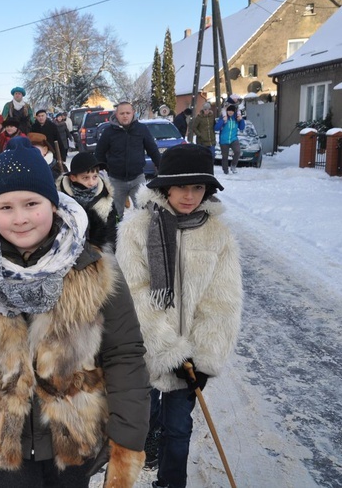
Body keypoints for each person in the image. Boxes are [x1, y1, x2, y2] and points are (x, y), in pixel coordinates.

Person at [0, 142, 150, 487]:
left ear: (52, 202)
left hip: (72, 438)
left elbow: (124, 354)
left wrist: (127, 439)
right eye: (6, 207)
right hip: (2, 437)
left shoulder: (93, 265)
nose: (19, 218)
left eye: (31, 204)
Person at [115, 144, 242, 488]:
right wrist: (166, 348)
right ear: (165, 187)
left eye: (198, 187)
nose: (189, 195)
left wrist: (203, 358)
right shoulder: (136, 229)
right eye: (182, 186)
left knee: (180, 428)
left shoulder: (219, 235)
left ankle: (170, 484)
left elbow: (223, 302)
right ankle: (150, 437)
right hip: (144, 349)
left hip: (190, 359)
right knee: (144, 417)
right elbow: (136, 294)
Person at [94, 101, 161, 219]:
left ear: (133, 113)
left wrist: (162, 166)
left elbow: (153, 150)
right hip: (116, 181)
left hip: (137, 178)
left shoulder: (141, 129)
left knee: (143, 212)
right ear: (116, 114)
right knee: (114, 214)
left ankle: (141, 236)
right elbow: (99, 153)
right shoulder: (109, 132)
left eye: (128, 113)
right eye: (122, 113)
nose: (125, 116)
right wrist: (105, 169)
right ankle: (114, 236)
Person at [56, 151, 117, 251]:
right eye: (85, 178)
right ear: (73, 177)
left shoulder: (106, 198)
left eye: (95, 177)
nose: (91, 183)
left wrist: (108, 249)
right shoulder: (62, 200)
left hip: (102, 250)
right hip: (70, 252)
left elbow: (112, 227)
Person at [215, 104, 245, 175]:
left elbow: (242, 128)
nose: (230, 112)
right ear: (227, 111)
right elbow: (216, 128)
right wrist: (222, 120)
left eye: (232, 111)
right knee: (225, 156)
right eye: (229, 111)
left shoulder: (236, 119)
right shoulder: (223, 118)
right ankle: (225, 170)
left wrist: (241, 120)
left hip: (233, 139)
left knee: (237, 151)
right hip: (224, 140)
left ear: (234, 112)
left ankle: (233, 165)